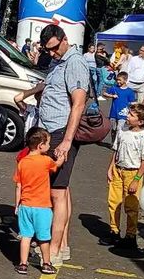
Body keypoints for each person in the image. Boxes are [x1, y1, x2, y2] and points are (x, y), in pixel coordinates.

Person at [14, 24, 90, 266]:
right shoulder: (58, 62)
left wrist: (67, 141)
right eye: (48, 50)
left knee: (56, 193)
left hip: (60, 131)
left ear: (64, 40)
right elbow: (48, 85)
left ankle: (54, 249)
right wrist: (26, 93)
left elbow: (78, 103)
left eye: (55, 48)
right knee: (62, 190)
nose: (52, 53)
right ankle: (62, 244)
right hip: (51, 129)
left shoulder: (75, 62)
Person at [13, 128, 62, 275]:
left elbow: (18, 185)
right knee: (44, 237)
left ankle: (22, 264)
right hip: (42, 206)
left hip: (25, 205)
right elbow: (56, 166)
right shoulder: (46, 161)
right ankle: (46, 263)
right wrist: (61, 158)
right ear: (41, 145)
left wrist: (17, 205)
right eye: (48, 143)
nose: (49, 146)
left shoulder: (23, 162)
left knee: (26, 236)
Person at [106, 103, 144, 251]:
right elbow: (116, 149)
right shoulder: (122, 130)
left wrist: (136, 180)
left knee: (131, 205)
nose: (127, 116)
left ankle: (131, 236)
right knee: (113, 201)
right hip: (119, 170)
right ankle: (114, 231)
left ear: (140, 122)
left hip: (133, 173)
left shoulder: (143, 138)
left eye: (131, 115)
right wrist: (111, 167)